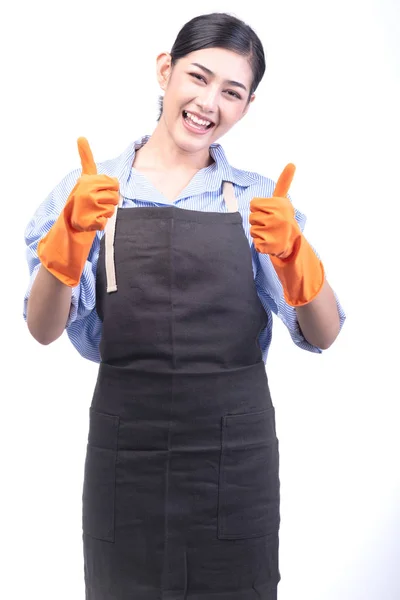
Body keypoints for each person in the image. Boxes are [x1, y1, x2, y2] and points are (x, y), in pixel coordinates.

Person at [23, 11, 345, 600]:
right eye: (198, 77)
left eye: (232, 91)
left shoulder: (254, 199)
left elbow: (322, 333)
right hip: (127, 452)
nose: (208, 103)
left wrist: (295, 255)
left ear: (247, 105)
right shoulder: (90, 188)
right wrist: (67, 242)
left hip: (234, 454)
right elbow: (43, 329)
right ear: (165, 71)